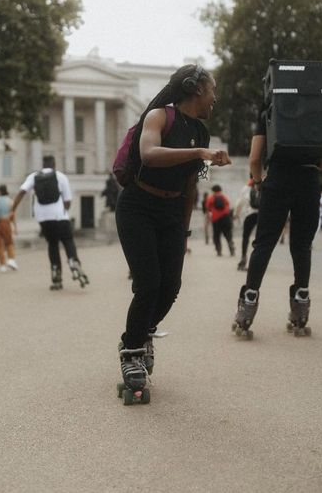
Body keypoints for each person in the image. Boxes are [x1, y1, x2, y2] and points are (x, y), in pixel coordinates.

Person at [115, 64, 230, 402]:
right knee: (148, 283)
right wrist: (199, 153)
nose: (215, 98)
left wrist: (184, 231)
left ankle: (141, 333)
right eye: (212, 91)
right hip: (137, 206)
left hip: (170, 211)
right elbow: (148, 155)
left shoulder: (202, 134)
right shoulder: (157, 117)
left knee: (172, 286)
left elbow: (192, 183)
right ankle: (132, 351)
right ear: (195, 88)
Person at [232, 107, 322, 339]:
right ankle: (301, 308)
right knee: (302, 246)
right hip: (309, 182)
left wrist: (258, 182)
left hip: (278, 180)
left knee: (263, 244)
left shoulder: (271, 110)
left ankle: (248, 305)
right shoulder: (318, 110)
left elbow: (255, 158)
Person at [11, 155, 89, 290]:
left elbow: (22, 192)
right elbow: (68, 200)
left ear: (43, 165)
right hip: (59, 215)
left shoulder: (34, 176)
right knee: (68, 240)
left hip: (43, 218)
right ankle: (73, 261)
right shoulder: (61, 176)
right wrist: (65, 210)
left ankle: (56, 273)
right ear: (54, 164)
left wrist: (12, 210)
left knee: (52, 244)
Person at [233, 178, 259, 270]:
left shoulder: (246, 188)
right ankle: (258, 261)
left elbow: (239, 203)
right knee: (260, 239)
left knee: (245, 238)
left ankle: (243, 258)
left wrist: (236, 215)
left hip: (249, 215)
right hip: (261, 215)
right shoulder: (264, 185)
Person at [205, 184, 235, 257]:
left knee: (216, 235)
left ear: (213, 190)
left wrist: (209, 217)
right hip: (226, 218)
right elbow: (228, 205)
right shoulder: (224, 197)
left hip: (216, 219)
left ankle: (219, 251)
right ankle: (231, 245)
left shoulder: (211, 198)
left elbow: (207, 207)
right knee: (228, 234)